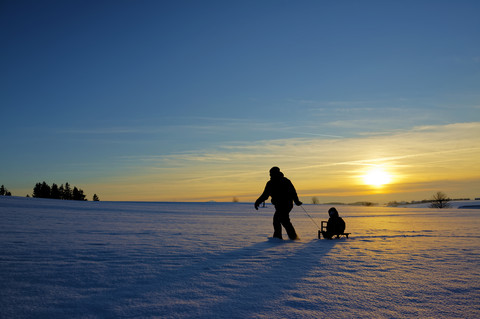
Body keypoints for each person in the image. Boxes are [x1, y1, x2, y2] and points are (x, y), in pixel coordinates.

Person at [254, 167, 302, 240]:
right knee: (280, 220)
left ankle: (289, 237)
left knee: (281, 219)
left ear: (276, 173)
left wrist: (296, 201)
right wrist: (258, 202)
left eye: (271, 173)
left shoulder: (285, 181)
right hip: (279, 205)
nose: (270, 175)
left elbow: (293, 192)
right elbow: (265, 195)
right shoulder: (270, 183)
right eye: (270, 173)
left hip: (287, 204)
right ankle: (283, 237)